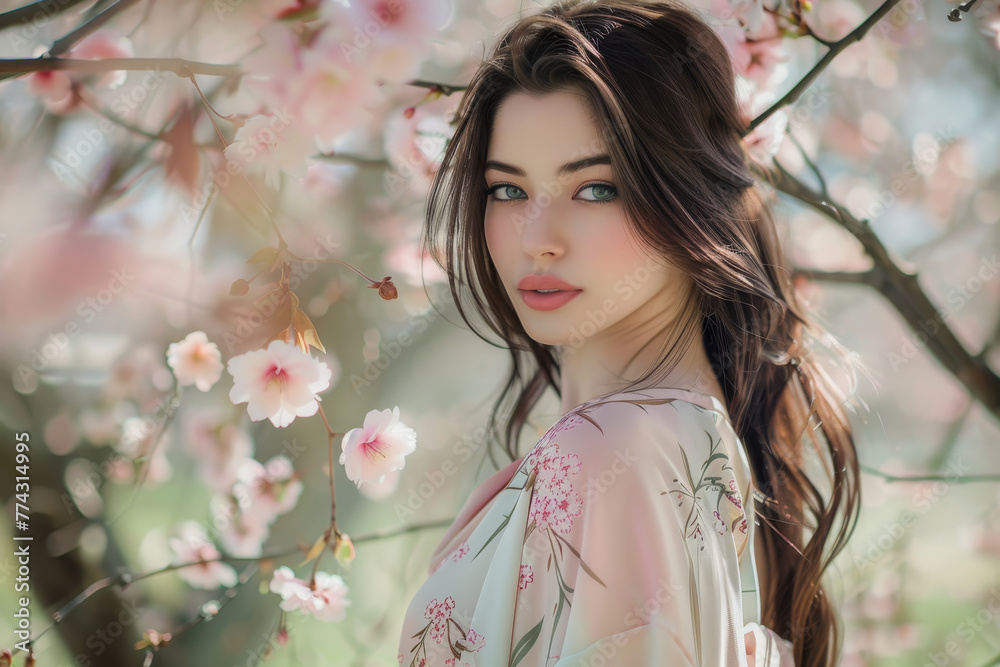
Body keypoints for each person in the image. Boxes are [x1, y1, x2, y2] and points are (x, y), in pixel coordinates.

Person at [398, 0, 869, 665]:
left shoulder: (617, 453)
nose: (537, 240)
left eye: (594, 189)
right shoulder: (678, 441)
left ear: (687, 197)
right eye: (507, 191)